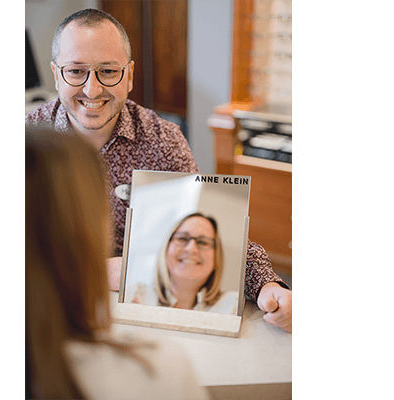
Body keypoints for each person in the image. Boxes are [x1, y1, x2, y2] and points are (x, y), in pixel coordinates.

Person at [25, 8, 292, 333]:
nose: (92, 90)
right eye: (76, 71)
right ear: (55, 74)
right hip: (48, 313)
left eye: (108, 71)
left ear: (130, 75)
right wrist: (92, 268)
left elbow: (216, 233)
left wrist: (268, 286)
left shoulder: (163, 140)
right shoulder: (31, 139)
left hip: (149, 314)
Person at [25, 126, 209, 400]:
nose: (92, 89)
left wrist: (264, 280)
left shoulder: (163, 139)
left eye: (204, 242)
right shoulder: (155, 370)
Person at [129, 213, 238, 315]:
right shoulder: (133, 296)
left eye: (203, 242)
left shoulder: (234, 306)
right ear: (166, 249)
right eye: (182, 238)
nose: (191, 249)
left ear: (216, 258)